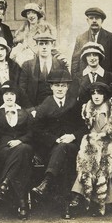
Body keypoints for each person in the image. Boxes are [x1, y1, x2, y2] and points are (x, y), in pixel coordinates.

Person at [66, 82, 112, 219]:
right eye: (93, 93)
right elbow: (84, 128)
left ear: (105, 95)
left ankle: (99, 201)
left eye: (99, 93)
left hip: (110, 142)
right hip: (91, 142)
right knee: (85, 162)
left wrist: (109, 138)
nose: (96, 96)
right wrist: (91, 138)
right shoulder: (87, 108)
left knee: (103, 163)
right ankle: (77, 197)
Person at [30, 69, 85, 212]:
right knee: (61, 152)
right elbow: (36, 130)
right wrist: (55, 140)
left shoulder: (74, 103)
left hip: (72, 146)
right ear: (51, 87)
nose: (60, 88)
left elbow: (84, 127)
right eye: (57, 85)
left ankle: (47, 182)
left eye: (63, 85)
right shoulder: (45, 105)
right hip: (51, 148)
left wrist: (72, 136)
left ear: (67, 87)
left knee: (64, 150)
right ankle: (66, 206)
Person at [0, 81, 34, 220]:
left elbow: (32, 133)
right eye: (6, 94)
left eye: (12, 94)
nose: (9, 97)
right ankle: (22, 203)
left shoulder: (25, 113)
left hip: (23, 145)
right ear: (2, 96)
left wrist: (20, 141)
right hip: (4, 149)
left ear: (16, 96)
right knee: (22, 158)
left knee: (23, 149)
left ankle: (4, 184)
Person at [19, 34, 71, 110]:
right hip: (34, 107)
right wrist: (31, 109)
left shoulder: (61, 64)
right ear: (36, 45)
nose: (44, 47)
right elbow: (22, 89)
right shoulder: (27, 65)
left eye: (47, 44)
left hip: (56, 109)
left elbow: (68, 87)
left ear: (52, 45)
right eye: (41, 44)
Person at [71, 7, 112, 80]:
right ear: (87, 20)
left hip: (105, 81)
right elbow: (75, 63)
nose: (94, 21)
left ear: (102, 21)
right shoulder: (80, 38)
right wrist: (75, 82)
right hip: (85, 82)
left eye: (97, 18)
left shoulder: (111, 37)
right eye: (91, 18)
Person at [10, 2, 57, 67]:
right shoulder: (22, 30)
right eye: (28, 13)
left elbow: (50, 47)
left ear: (38, 15)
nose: (31, 16)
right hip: (24, 62)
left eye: (34, 13)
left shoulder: (46, 29)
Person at [0, 36, 27, 108]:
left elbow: (21, 86)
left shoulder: (14, 66)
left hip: (14, 101)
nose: (0, 53)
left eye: (2, 49)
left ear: (6, 51)